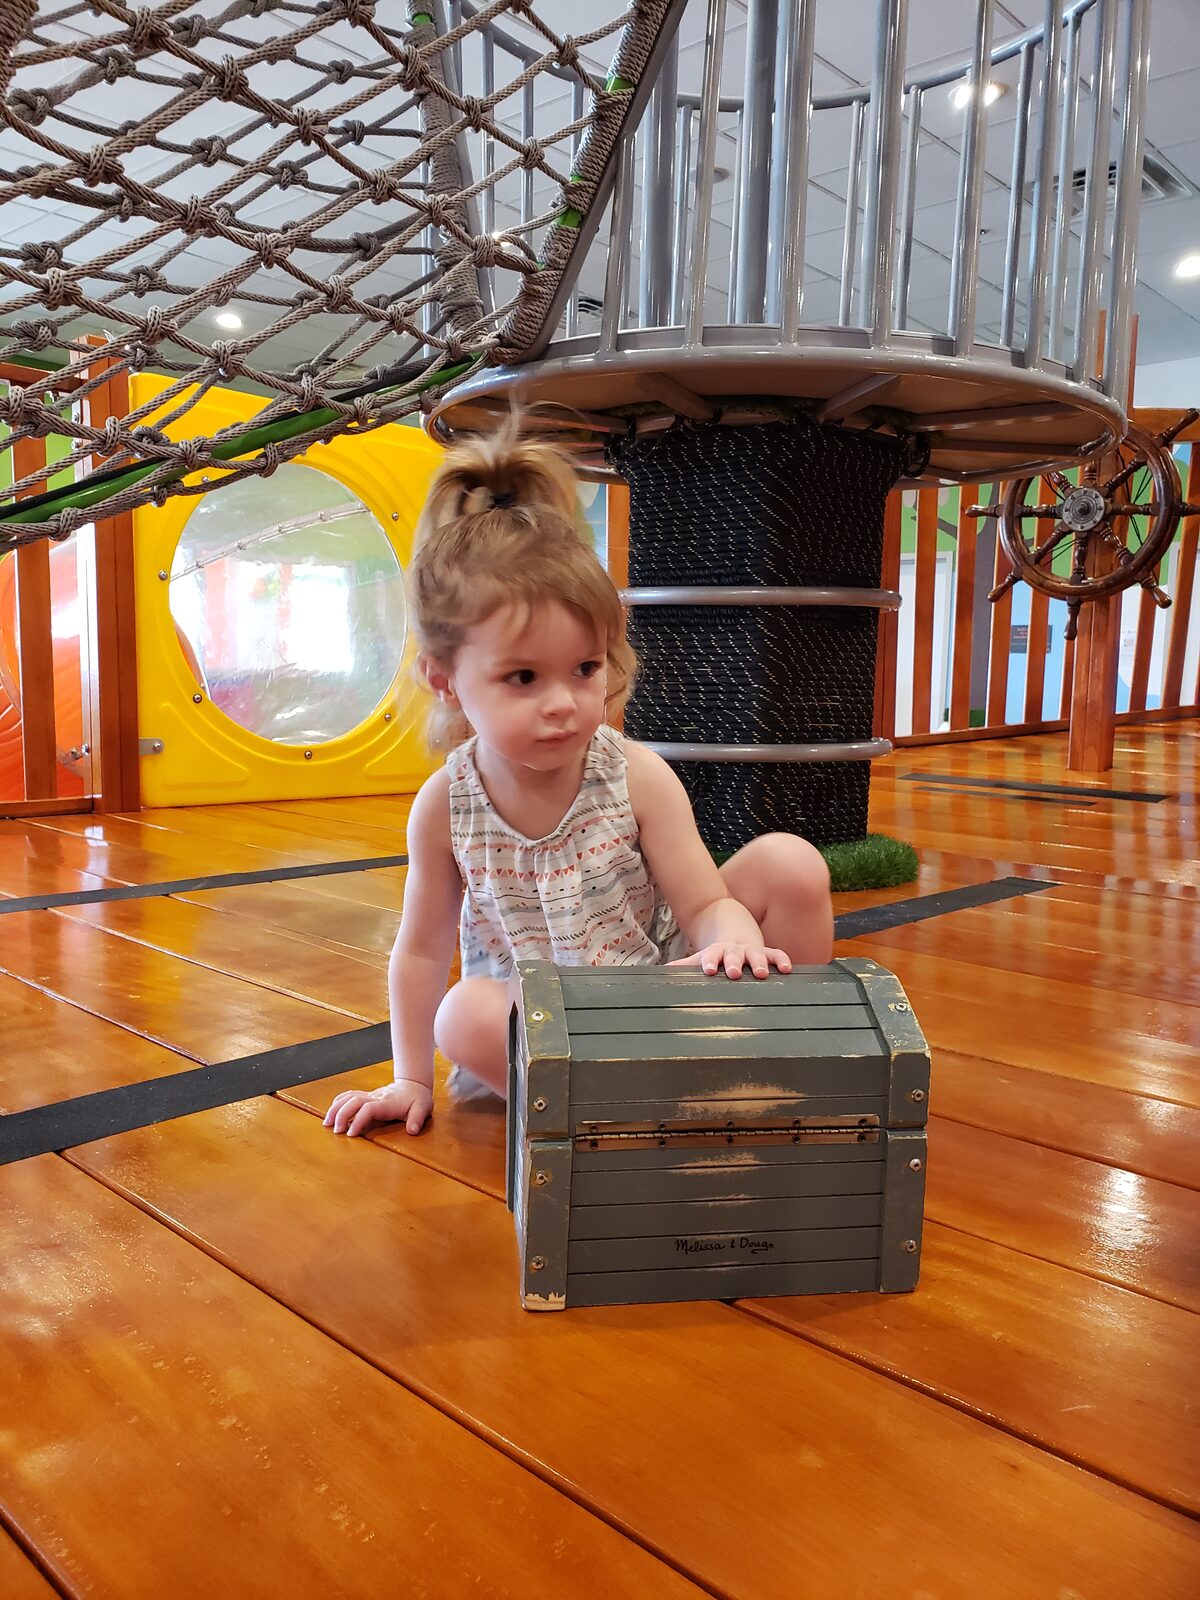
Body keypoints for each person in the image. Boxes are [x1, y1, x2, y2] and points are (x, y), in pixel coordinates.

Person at [323, 427, 833, 1139]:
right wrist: (409, 1076)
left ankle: (790, 1057)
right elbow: (420, 949)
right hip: (545, 1031)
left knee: (791, 862)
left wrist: (731, 940)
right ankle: (610, 1107)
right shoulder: (446, 805)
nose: (563, 702)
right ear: (444, 681)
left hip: (655, 996)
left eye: (585, 669)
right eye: (523, 677)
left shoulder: (634, 773)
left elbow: (704, 904)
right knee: (462, 1014)